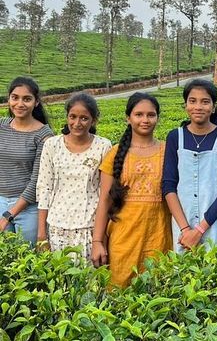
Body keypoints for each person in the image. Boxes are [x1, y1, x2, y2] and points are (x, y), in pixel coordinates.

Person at [91, 93, 172, 287]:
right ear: (128, 118)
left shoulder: (168, 150)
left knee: (158, 293)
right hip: (123, 238)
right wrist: (97, 242)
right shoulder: (115, 153)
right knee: (120, 292)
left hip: (159, 236)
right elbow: (104, 200)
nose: (145, 120)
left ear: (158, 118)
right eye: (139, 114)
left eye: (151, 115)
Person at [162, 78, 217, 252]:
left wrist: (200, 229)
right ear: (185, 105)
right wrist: (186, 229)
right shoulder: (175, 137)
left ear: (213, 106)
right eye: (192, 101)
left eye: (205, 102)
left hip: (214, 226)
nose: (198, 107)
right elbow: (168, 185)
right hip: (183, 227)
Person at [36, 93, 111, 259]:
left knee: (89, 281)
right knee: (59, 280)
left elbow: (104, 193)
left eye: (84, 118)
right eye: (73, 117)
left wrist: (101, 237)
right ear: (67, 117)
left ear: (94, 120)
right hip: (56, 226)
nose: (77, 123)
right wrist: (42, 233)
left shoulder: (103, 146)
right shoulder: (52, 145)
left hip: (89, 227)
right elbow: (44, 188)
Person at [0, 76, 53, 245]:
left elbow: (37, 180)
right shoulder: (1, 126)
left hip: (28, 208)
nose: (20, 104)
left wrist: (9, 214)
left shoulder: (44, 135)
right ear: (8, 99)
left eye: (27, 99)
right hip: (0, 201)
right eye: (15, 98)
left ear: (36, 102)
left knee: (27, 262)